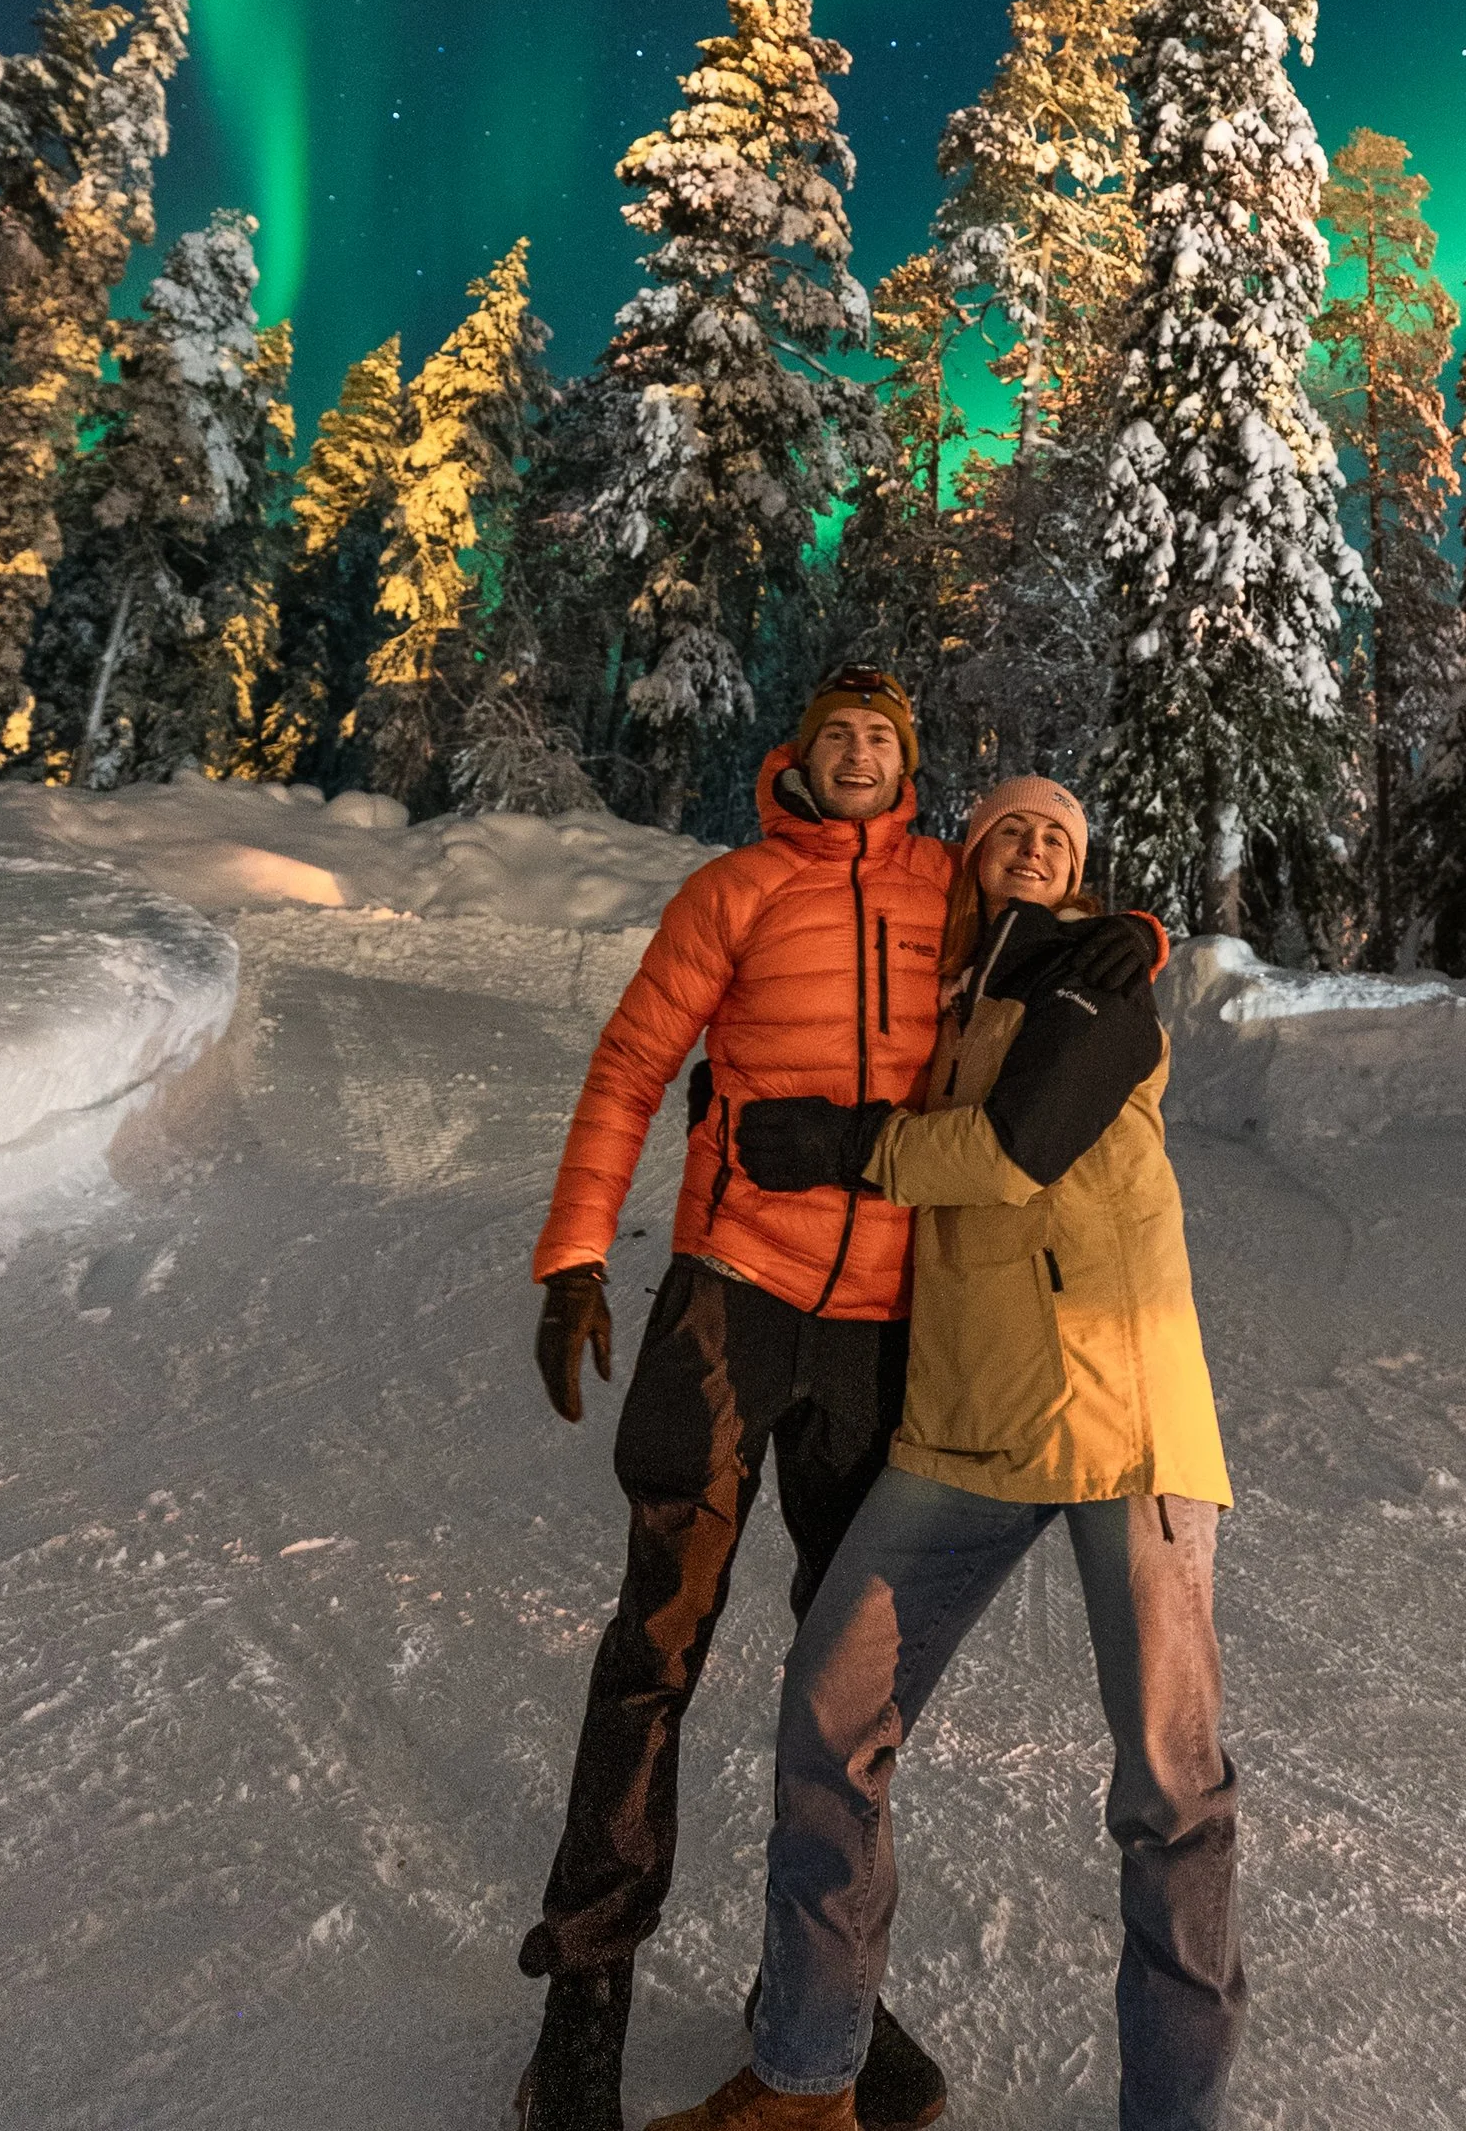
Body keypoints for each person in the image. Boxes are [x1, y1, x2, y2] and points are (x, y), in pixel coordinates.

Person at [640, 773, 1241, 2131]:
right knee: (830, 1711)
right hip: (965, 1419)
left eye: (1062, 835)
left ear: (1082, 874)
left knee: (1169, 1788)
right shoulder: (951, 996)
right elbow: (829, 1024)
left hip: (1118, 1414)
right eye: (1007, 829)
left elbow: (1019, 1148)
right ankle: (808, 2076)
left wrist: (839, 1148)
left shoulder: (1100, 974)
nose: (1035, 843)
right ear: (965, 862)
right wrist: (738, 1095)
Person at [515, 669, 960, 2131]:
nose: (856, 753)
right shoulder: (738, 889)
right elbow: (637, 1057)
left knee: (851, 1681)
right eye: (835, 732)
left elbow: (1052, 994)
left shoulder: (952, 892)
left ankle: (821, 1989)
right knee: (657, 1642)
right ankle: (585, 1994)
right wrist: (577, 1251)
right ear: (799, 753)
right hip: (731, 1296)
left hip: (880, 1328)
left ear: (907, 763)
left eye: (880, 739)